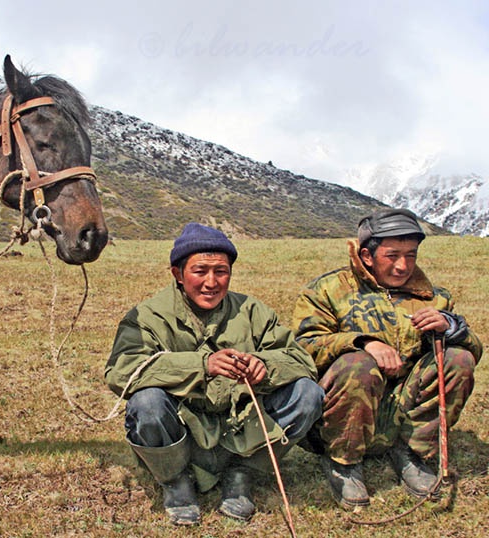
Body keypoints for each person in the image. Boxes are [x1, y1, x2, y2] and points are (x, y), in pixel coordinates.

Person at [105, 222, 324, 526]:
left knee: (308, 394)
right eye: (200, 271)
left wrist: (265, 365)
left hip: (242, 430)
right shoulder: (149, 316)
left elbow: (300, 359)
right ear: (178, 274)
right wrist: (200, 365)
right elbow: (121, 371)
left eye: (221, 272)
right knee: (146, 402)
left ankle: (243, 473)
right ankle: (175, 481)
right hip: (182, 430)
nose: (211, 282)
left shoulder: (252, 311)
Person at [292, 208, 483, 508]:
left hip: (401, 409)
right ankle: (344, 462)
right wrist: (362, 342)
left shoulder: (434, 297)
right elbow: (303, 346)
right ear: (367, 255)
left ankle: (412, 451)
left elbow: (474, 350)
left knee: (458, 359)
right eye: (392, 255)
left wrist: (452, 328)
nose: (402, 265)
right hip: (340, 416)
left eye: (411, 255)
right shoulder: (326, 291)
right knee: (358, 365)